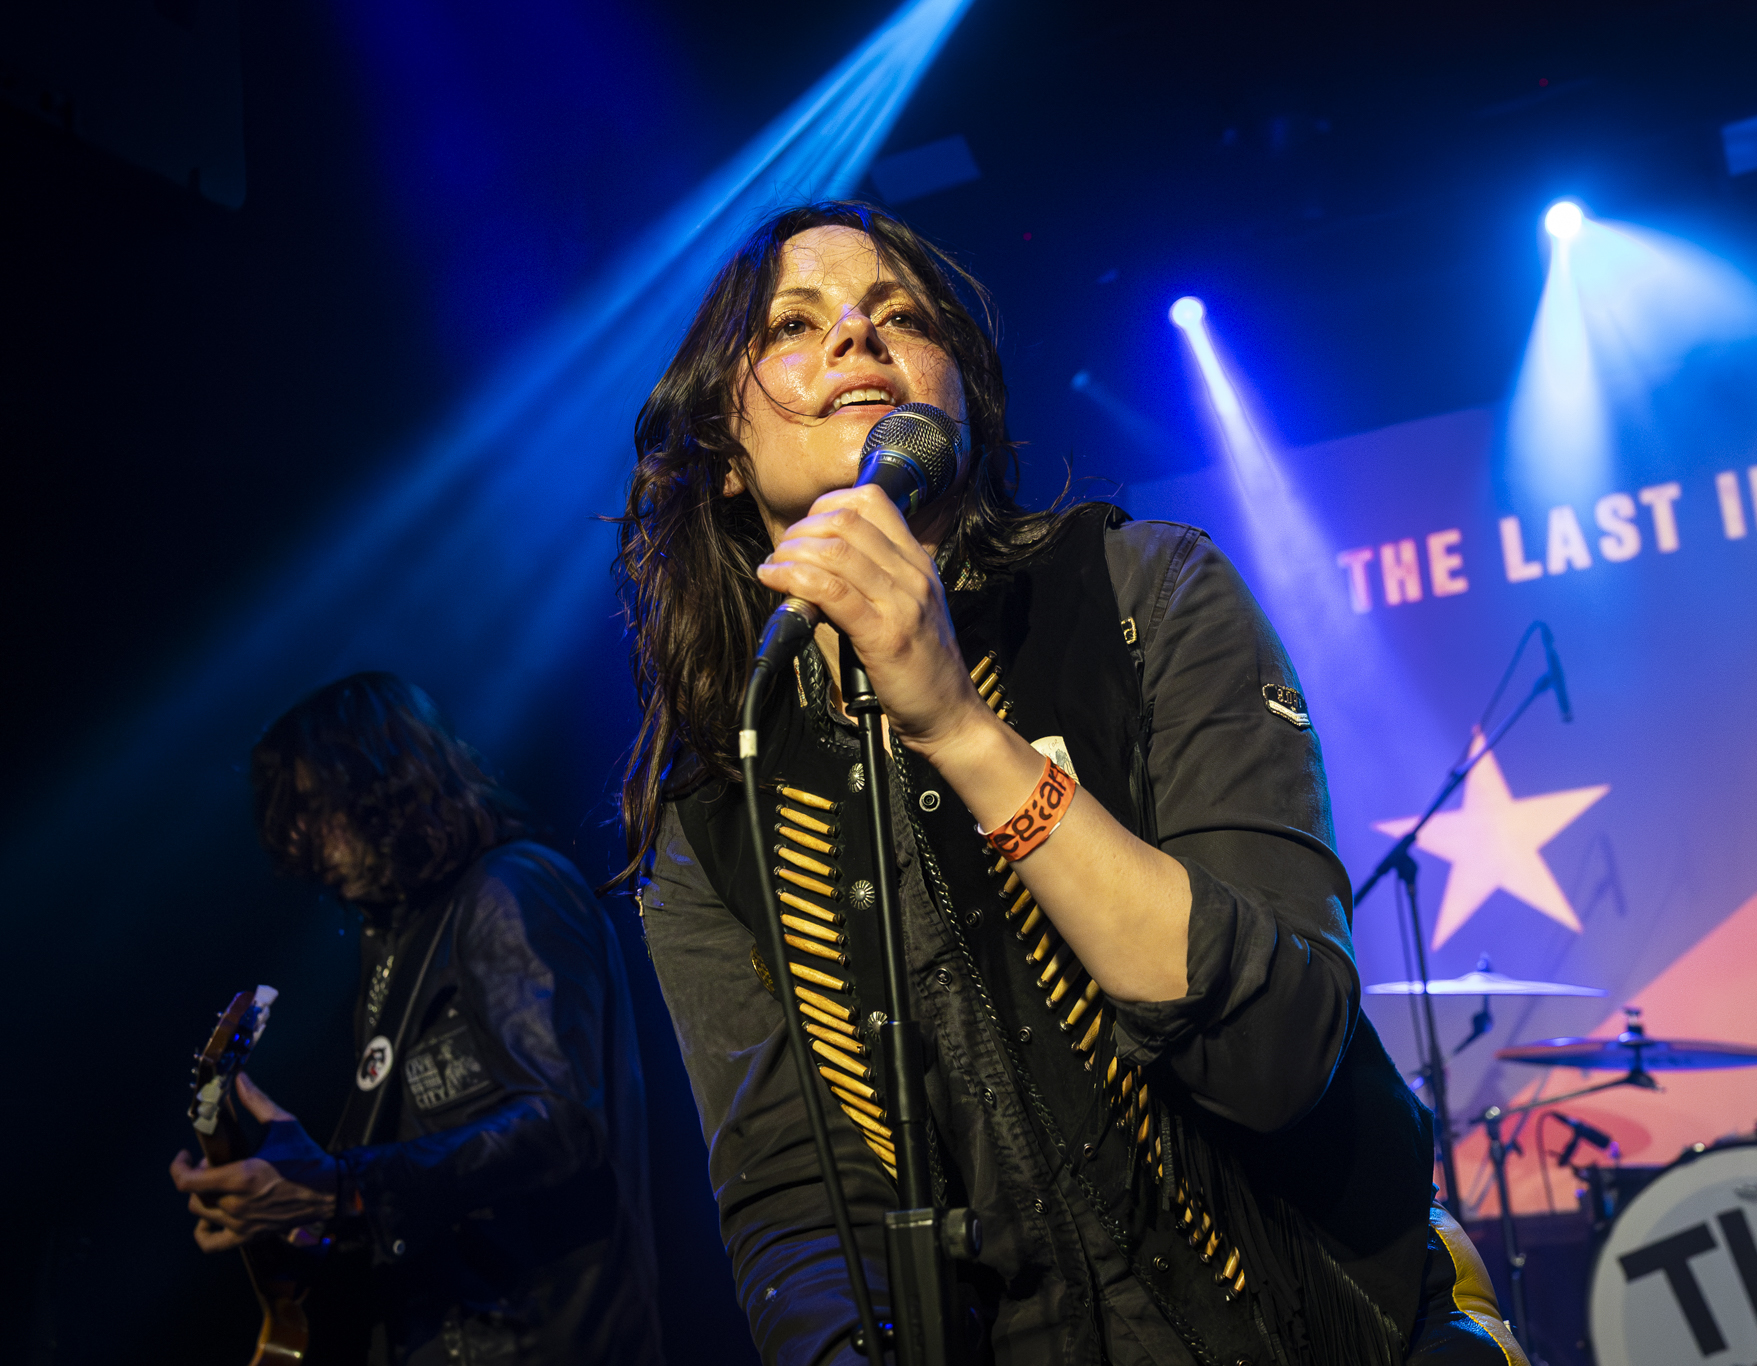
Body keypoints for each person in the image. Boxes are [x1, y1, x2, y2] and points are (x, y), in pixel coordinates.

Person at [617, 201, 1522, 1365]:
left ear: (962, 405)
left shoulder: (1146, 593)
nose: (855, 334)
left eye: (902, 315)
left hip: (1332, 1326)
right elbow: (793, 1209)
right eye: (793, 323)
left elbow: (1280, 1054)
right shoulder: (713, 800)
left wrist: (957, 723)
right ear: (722, 457)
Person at [169, 673, 663, 1366]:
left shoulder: (511, 889)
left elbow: (563, 1124)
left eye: (315, 806)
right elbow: (413, 1180)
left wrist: (343, 1185)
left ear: (383, 783)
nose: (303, 838)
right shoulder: (397, 942)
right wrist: (302, 1208)